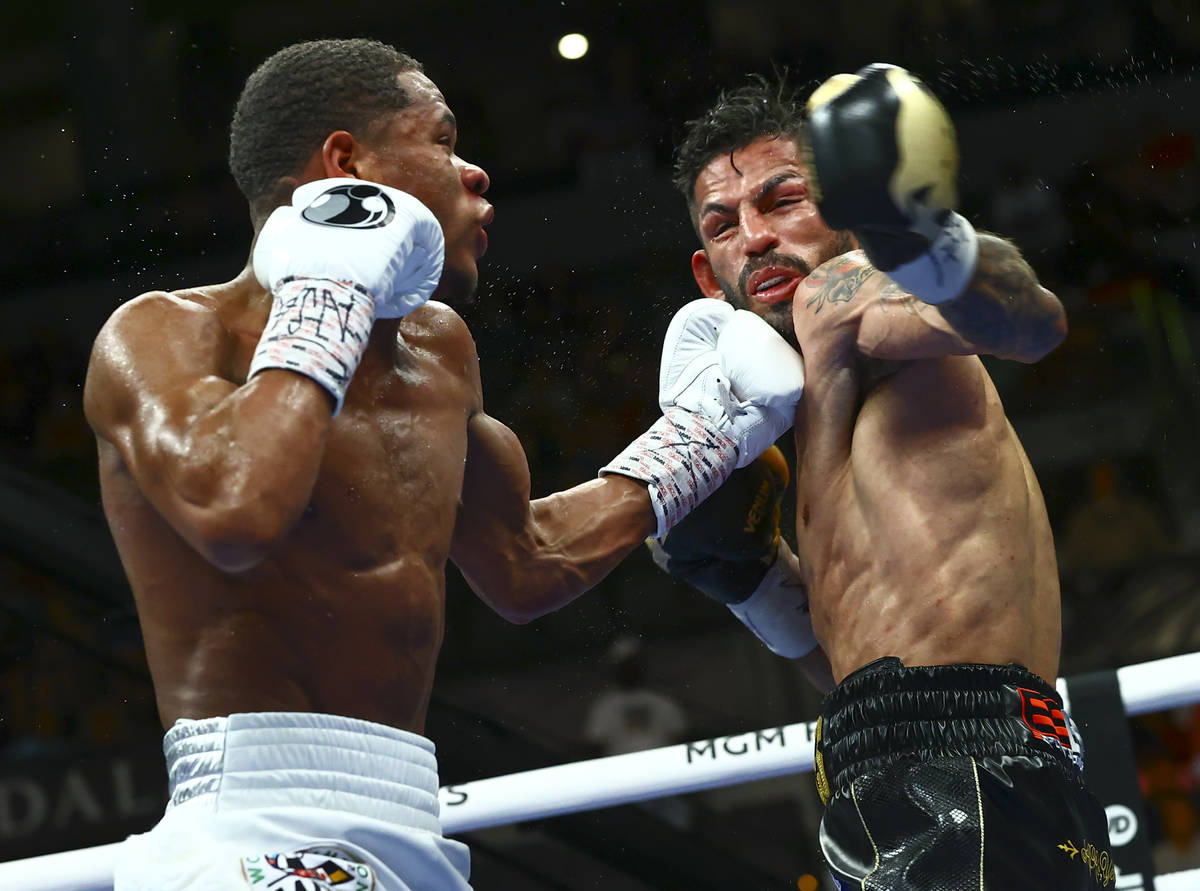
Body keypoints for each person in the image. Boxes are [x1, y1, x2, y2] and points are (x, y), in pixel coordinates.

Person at [82, 38, 805, 890]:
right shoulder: (162, 333)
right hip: (249, 826)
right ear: (346, 165)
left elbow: (526, 561)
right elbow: (235, 508)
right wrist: (329, 290)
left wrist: (704, 434)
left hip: (410, 822)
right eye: (442, 140)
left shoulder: (439, 350)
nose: (476, 173)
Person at [656, 64, 1113, 888]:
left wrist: (922, 237)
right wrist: (755, 581)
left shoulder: (848, 294)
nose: (754, 237)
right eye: (724, 224)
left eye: (781, 200)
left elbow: (1030, 321)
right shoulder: (795, 390)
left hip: (965, 767)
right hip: (885, 763)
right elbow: (866, 664)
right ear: (705, 273)